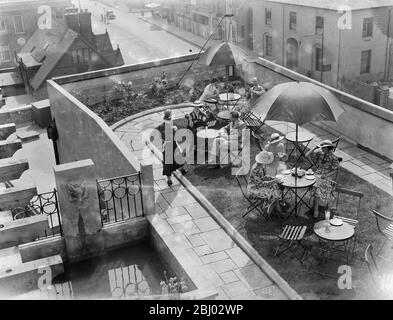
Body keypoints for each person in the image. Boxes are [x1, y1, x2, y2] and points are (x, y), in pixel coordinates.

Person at [306, 140, 340, 218]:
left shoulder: (334, 158)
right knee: (310, 183)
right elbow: (306, 155)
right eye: (321, 148)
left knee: (317, 188)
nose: (321, 149)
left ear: (328, 148)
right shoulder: (320, 154)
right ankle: (315, 205)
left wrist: (326, 175)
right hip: (317, 175)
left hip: (327, 178)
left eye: (323, 148)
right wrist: (314, 147)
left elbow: (335, 170)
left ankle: (316, 210)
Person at [247, 151, 282, 215]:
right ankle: (270, 208)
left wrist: (272, 178)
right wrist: (273, 181)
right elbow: (260, 184)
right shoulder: (255, 169)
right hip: (254, 189)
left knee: (276, 187)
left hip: (259, 186)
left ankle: (276, 207)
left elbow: (263, 177)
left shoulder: (261, 165)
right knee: (274, 190)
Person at [157, 110, 187, 186]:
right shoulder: (173, 127)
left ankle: (169, 179)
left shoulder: (161, 127)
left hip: (166, 146)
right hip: (172, 145)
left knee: (168, 163)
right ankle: (182, 170)